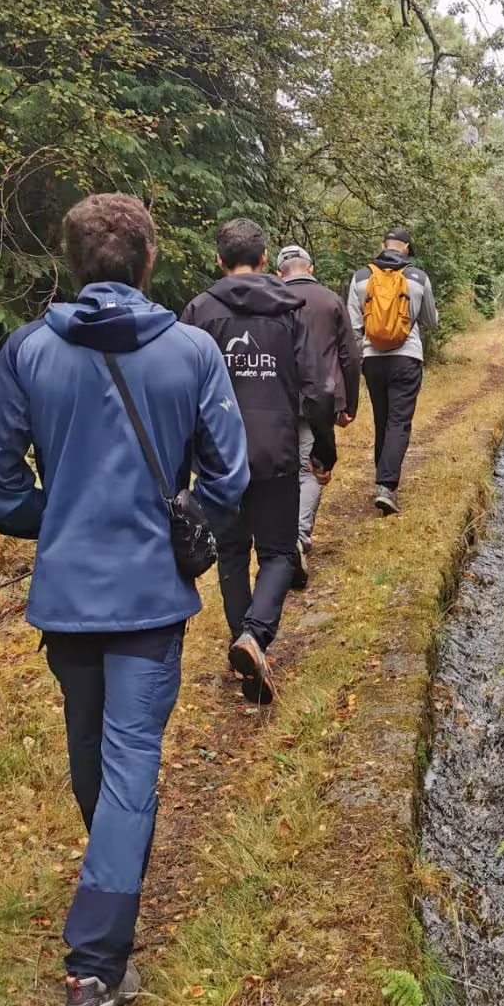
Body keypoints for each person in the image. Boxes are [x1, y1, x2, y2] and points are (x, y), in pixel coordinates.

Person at [0, 193, 248, 1006]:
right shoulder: (192, 353)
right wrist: (188, 527)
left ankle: (103, 913)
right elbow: (229, 477)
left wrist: (50, 520)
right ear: (148, 262)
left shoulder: (28, 353)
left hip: (67, 596)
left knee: (93, 753)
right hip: (149, 599)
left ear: (74, 261)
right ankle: (95, 966)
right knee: (125, 762)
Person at [181, 218, 336, 701]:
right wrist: (325, 448)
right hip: (276, 450)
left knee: (231, 552)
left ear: (218, 260)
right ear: (266, 258)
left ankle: (243, 640)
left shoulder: (198, 313)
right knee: (278, 552)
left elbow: (179, 389)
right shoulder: (290, 309)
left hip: (217, 455)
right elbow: (317, 388)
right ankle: (255, 636)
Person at [275, 243, 360, 578]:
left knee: (283, 471)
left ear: (279, 272)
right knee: (311, 469)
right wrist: (348, 403)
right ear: (309, 268)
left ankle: (283, 538)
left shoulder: (268, 300)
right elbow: (350, 357)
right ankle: (298, 536)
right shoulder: (330, 300)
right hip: (320, 400)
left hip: (276, 398)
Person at [347, 228, 438, 514]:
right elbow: (431, 321)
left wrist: (362, 354)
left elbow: (353, 327)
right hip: (406, 358)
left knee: (382, 419)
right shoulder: (418, 277)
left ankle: (382, 480)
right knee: (399, 422)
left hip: (373, 359)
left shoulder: (362, 277)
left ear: (383, 245)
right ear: (407, 249)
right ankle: (386, 486)